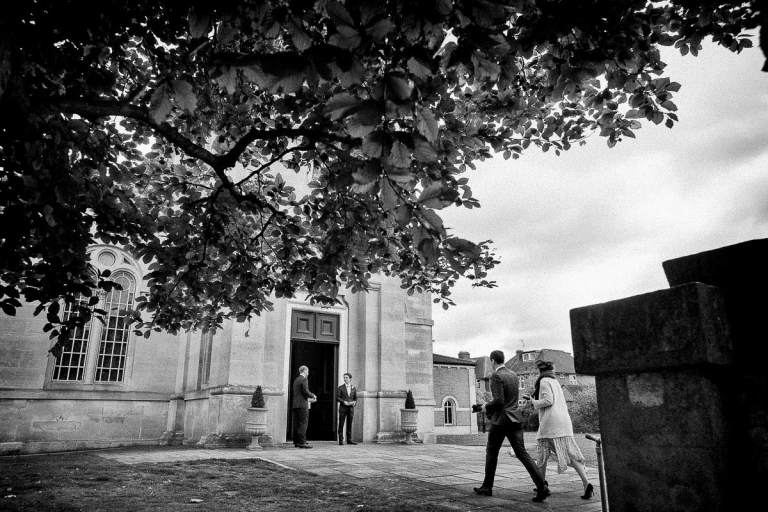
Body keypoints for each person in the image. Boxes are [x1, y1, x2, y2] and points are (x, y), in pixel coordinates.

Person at [473, 350, 549, 502]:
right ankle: (542, 487)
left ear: (493, 361)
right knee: (522, 453)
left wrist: (484, 407)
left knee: (492, 452)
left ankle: (487, 486)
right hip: (515, 419)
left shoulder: (496, 376)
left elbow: (499, 401)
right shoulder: (513, 375)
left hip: (500, 421)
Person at [522, 360, 594, 500]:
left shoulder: (543, 381)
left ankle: (542, 487)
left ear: (541, 371)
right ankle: (587, 483)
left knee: (542, 457)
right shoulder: (555, 381)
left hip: (551, 424)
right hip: (563, 423)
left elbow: (548, 401)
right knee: (571, 457)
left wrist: (533, 402)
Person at [291, 365, 316, 449]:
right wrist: (313, 396)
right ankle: (302, 442)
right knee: (303, 423)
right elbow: (306, 391)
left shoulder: (296, 380)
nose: (308, 373)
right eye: (307, 371)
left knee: (296, 423)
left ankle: (296, 441)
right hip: (302, 405)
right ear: (305, 371)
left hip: (295, 405)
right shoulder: (304, 379)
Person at [336, 372, 358, 445]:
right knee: (341, 424)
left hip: (350, 409)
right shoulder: (340, 387)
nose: (345, 379)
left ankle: (349, 439)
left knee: (349, 424)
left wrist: (354, 403)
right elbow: (337, 398)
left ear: (350, 379)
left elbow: (355, 398)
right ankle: (341, 440)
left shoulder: (353, 388)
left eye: (346, 378)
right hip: (343, 408)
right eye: (344, 377)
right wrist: (343, 402)